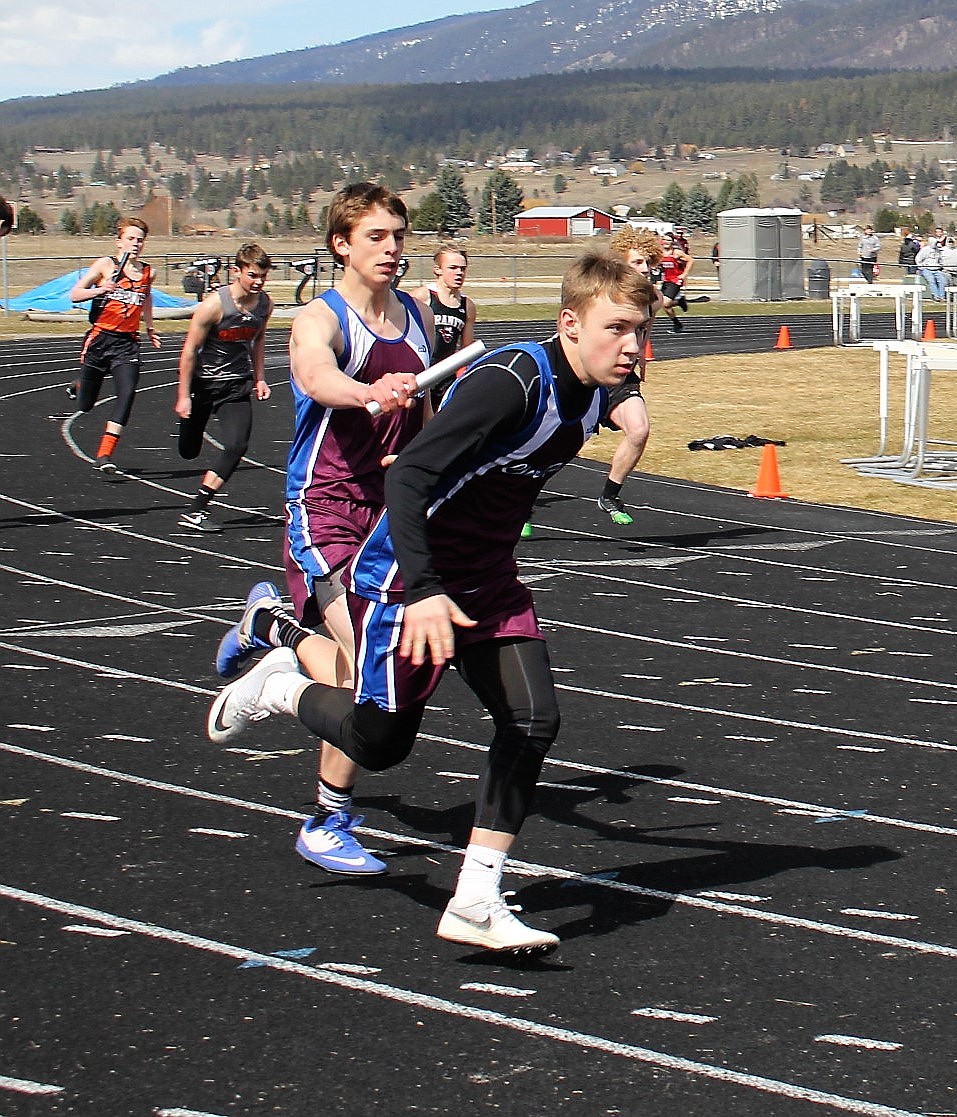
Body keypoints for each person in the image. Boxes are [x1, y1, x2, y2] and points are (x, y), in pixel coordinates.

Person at [207, 251, 654, 952]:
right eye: (617, 328)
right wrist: (421, 591)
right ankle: (279, 684)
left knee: (533, 718)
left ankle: (475, 897)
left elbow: (623, 412)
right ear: (569, 323)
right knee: (379, 743)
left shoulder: (601, 385)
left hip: (489, 578)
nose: (632, 345)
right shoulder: (513, 379)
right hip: (407, 577)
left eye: (641, 329)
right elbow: (411, 473)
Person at [216, 182, 435, 875]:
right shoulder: (321, 316)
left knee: (359, 671)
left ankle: (277, 630)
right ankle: (326, 818)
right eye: (377, 236)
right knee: (375, 660)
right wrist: (367, 391)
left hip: (387, 509)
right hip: (326, 505)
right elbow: (314, 377)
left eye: (399, 235)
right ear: (341, 244)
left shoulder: (419, 314)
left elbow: (423, 412)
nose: (393, 249)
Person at [174, 243, 274, 533]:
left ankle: (197, 508)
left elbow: (258, 341)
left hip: (236, 385)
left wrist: (259, 377)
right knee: (189, 451)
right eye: (253, 275)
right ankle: (186, 424)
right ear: (236, 272)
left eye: (263, 277)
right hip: (203, 384)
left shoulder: (265, 304)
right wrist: (183, 396)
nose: (258, 282)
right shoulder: (214, 305)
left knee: (237, 444)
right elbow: (190, 350)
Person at [68, 217, 161, 473]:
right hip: (100, 340)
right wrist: (100, 290)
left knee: (127, 393)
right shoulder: (105, 265)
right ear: (119, 242)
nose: (136, 244)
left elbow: (146, 299)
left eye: (140, 240)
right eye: (131, 238)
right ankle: (80, 385)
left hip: (127, 344)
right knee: (85, 406)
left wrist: (150, 327)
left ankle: (104, 454)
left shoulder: (148, 272)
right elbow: (75, 295)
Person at [595, 226, 662, 525]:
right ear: (621, 263)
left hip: (622, 378)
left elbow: (647, 326)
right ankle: (522, 503)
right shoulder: (601, 293)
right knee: (555, 444)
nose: (645, 268)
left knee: (639, 430)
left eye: (648, 262)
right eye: (637, 262)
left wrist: (642, 357)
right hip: (588, 376)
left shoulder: (653, 298)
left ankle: (610, 494)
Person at [410, 243, 477, 410]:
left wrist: (463, 378)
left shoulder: (467, 305)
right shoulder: (422, 296)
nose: (459, 273)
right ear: (437, 270)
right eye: (453, 268)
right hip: (420, 373)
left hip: (446, 376)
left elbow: (466, 351)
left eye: (463, 268)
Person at [658, 232, 692, 332]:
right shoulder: (659, 253)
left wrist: (684, 274)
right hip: (666, 280)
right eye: (665, 240)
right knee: (665, 305)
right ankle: (677, 322)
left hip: (675, 280)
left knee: (665, 303)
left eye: (669, 240)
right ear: (661, 241)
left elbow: (690, 260)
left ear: (672, 242)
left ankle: (677, 323)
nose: (666, 242)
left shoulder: (676, 252)